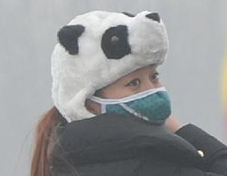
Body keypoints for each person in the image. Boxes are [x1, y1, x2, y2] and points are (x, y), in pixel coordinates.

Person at [30, 10, 227, 176]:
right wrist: (182, 131)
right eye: (134, 83)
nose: (152, 91)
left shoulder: (71, 163)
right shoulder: (151, 164)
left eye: (154, 76)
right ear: (88, 103)